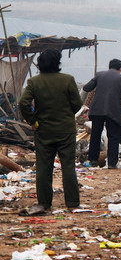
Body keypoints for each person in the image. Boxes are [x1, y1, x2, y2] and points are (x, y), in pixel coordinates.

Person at [19, 49, 82, 211]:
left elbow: (23, 103)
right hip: (66, 130)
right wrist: (67, 115)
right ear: (57, 63)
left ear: (40, 64)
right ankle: (73, 203)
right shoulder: (68, 80)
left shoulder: (34, 82)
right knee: (68, 166)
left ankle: (44, 203)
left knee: (43, 168)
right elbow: (77, 104)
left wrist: (33, 121)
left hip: (43, 131)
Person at [81, 59, 121, 168]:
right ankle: (112, 163)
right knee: (113, 136)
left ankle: (92, 161)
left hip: (97, 110)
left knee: (95, 135)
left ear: (109, 67)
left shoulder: (99, 75)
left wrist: (80, 104)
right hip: (113, 111)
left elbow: (85, 89)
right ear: (120, 69)